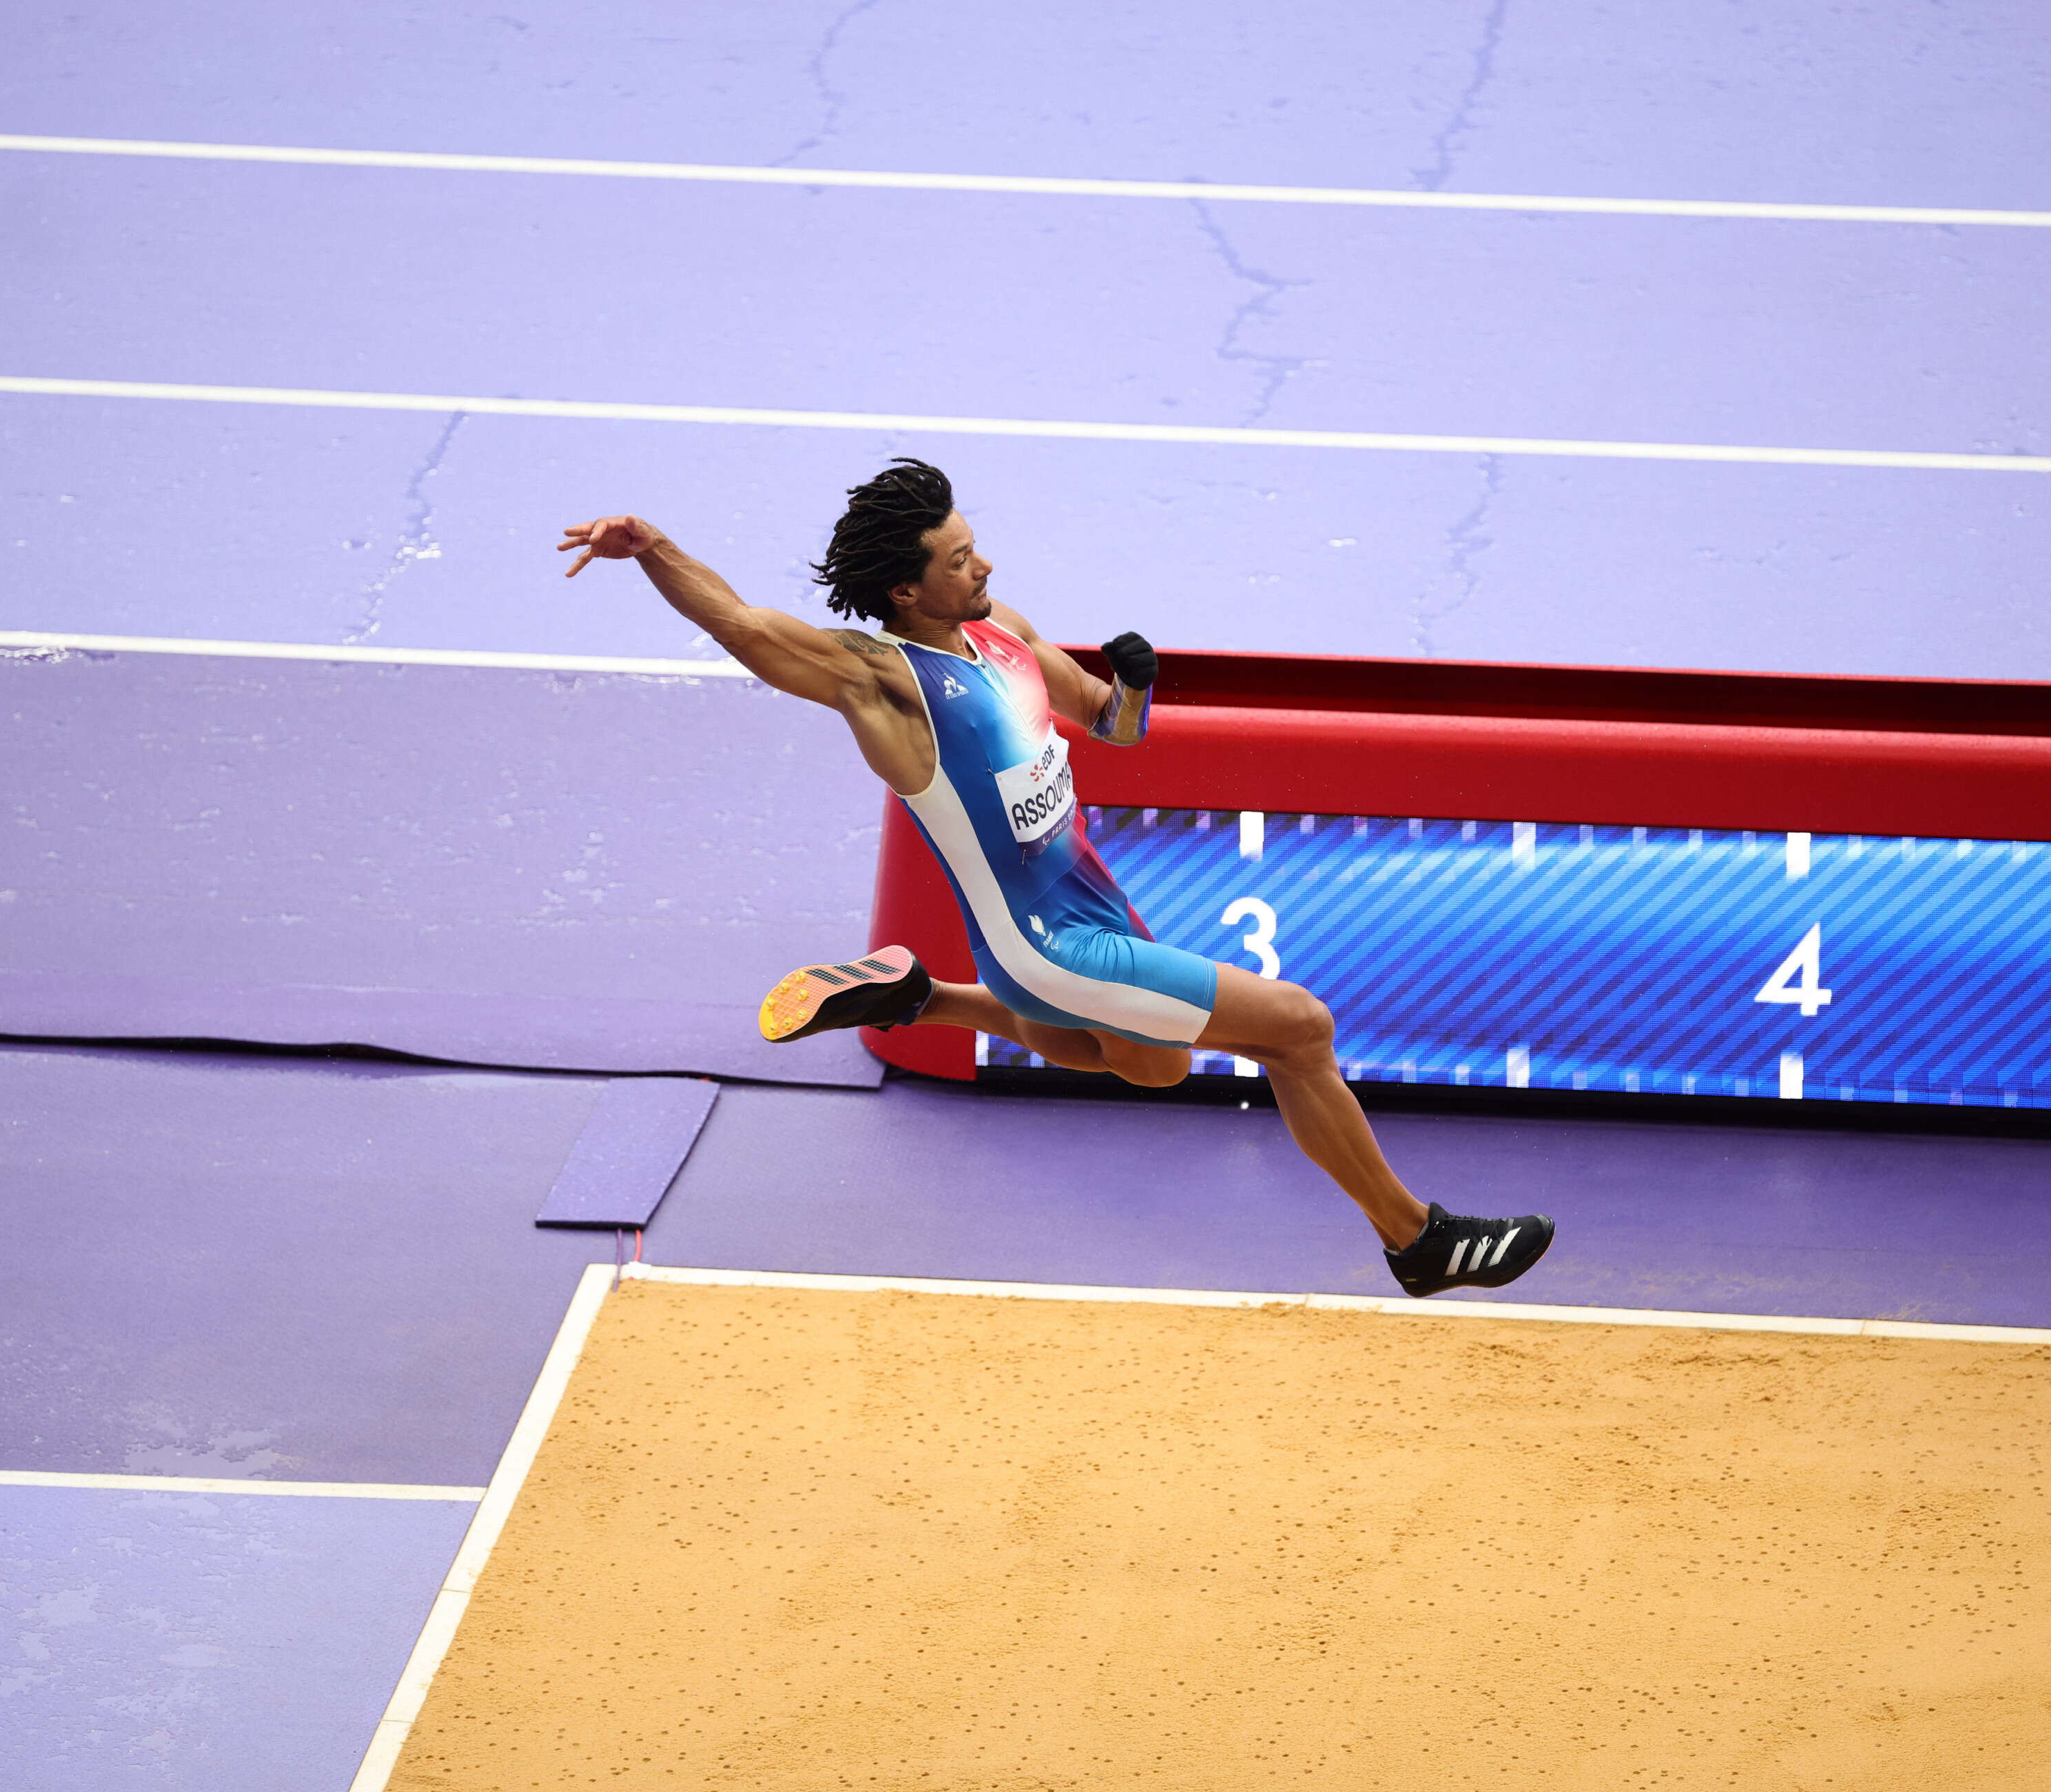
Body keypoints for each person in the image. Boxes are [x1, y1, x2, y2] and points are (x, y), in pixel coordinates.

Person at [560, 459, 1550, 1297]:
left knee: (1155, 1066)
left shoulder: (1006, 634)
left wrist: (1136, 683)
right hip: (1048, 947)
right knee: (1299, 1028)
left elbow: (1113, 726)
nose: (982, 563)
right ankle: (1417, 1236)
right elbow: (741, 623)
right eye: (957, 560)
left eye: (973, 543)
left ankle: (926, 998)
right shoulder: (884, 683)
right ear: (908, 592)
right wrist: (652, 550)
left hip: (1097, 900)